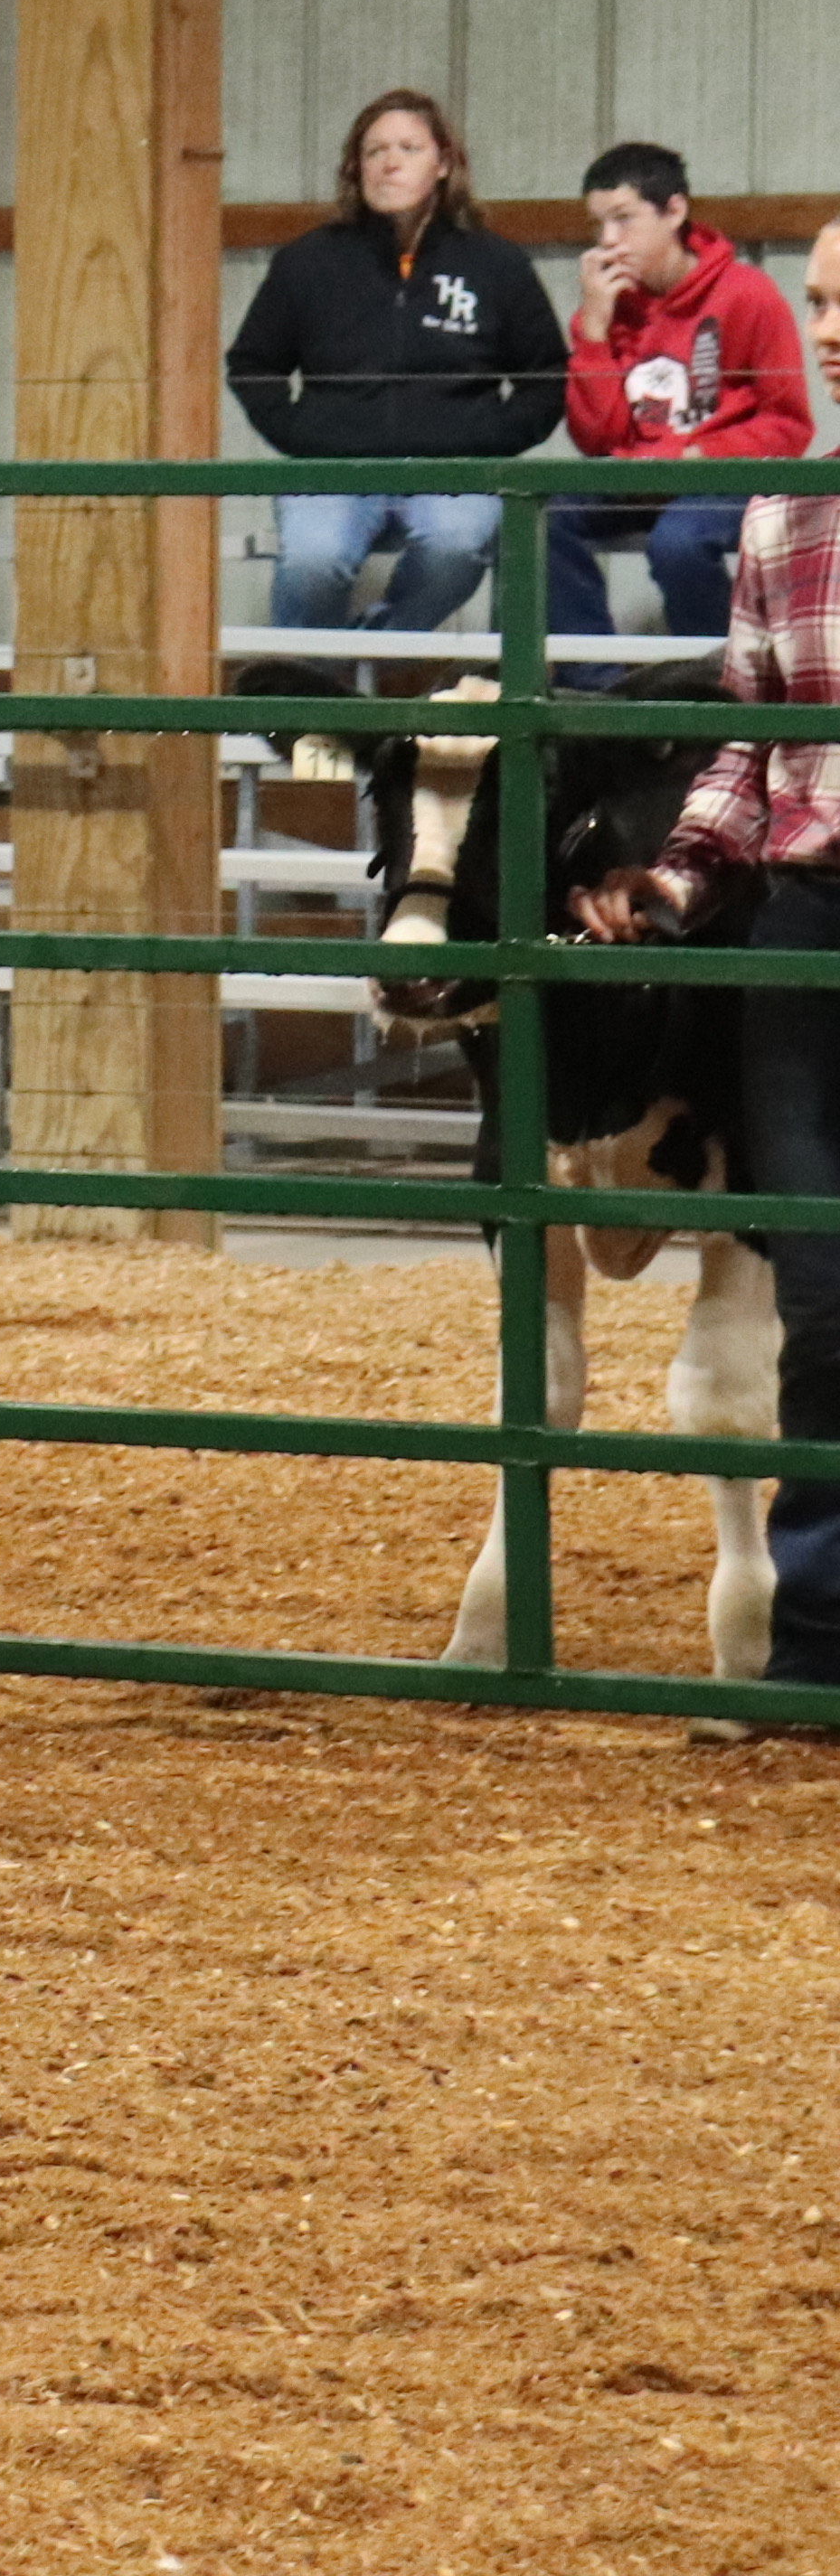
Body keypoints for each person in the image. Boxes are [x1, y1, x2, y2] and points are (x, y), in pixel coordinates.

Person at [576, 253, 840, 1716]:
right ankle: (816, 1656)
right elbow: (752, 743)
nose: (830, 330)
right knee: (821, 1287)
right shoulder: (787, 505)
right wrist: (676, 875)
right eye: (817, 302)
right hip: (808, 919)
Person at [224, 89, 562, 672]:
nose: (390, 161)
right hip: (333, 468)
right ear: (355, 168)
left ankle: (372, 656)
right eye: (374, 149)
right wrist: (304, 433)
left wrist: (487, 437)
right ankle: (311, 709)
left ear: (444, 163)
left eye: (409, 147)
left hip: (453, 472)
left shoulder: (496, 264)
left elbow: (548, 375)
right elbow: (253, 364)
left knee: (459, 544)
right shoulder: (308, 262)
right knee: (312, 556)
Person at [553, 139, 813, 685]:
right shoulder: (609, 304)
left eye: (623, 220)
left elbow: (788, 426)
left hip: (721, 474)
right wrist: (594, 333)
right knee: (541, 516)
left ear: (674, 211)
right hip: (635, 474)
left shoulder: (749, 294)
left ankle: (725, 685)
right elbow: (595, 439)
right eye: (598, 224)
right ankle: (596, 687)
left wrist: (691, 456)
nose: (607, 241)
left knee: (678, 541)